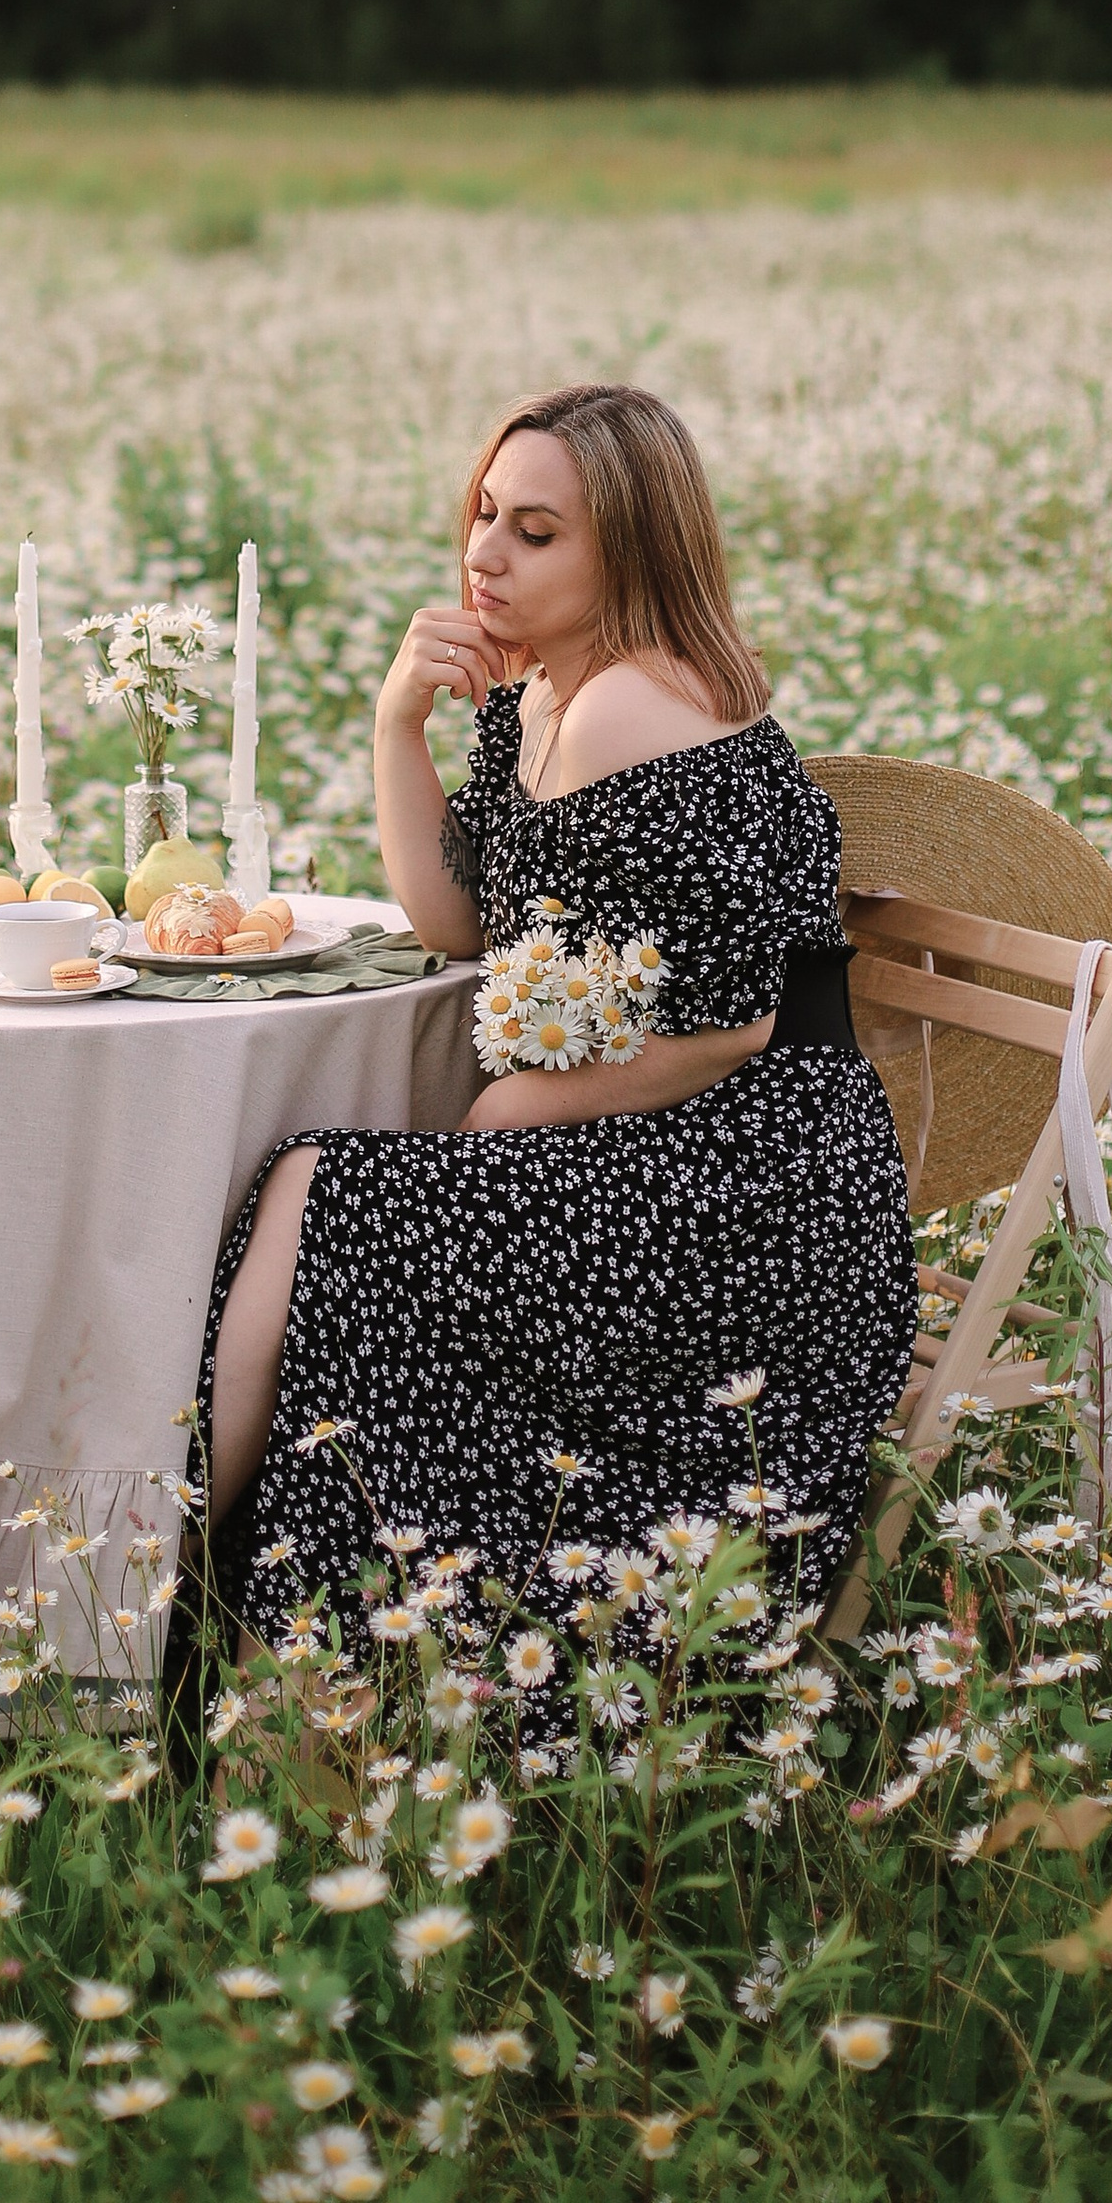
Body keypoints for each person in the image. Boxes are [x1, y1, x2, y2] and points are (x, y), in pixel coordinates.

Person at [196, 379, 918, 1660]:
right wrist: (395, 720)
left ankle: (204, 1583)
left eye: (537, 532)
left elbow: (733, 1024)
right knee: (325, 1198)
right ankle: (239, 1597)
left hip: (754, 1191)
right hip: (673, 1139)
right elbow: (457, 923)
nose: (484, 554)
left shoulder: (633, 705)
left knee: (329, 1198)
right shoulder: (546, 694)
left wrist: (505, 1109)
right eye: (484, 515)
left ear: (630, 548)